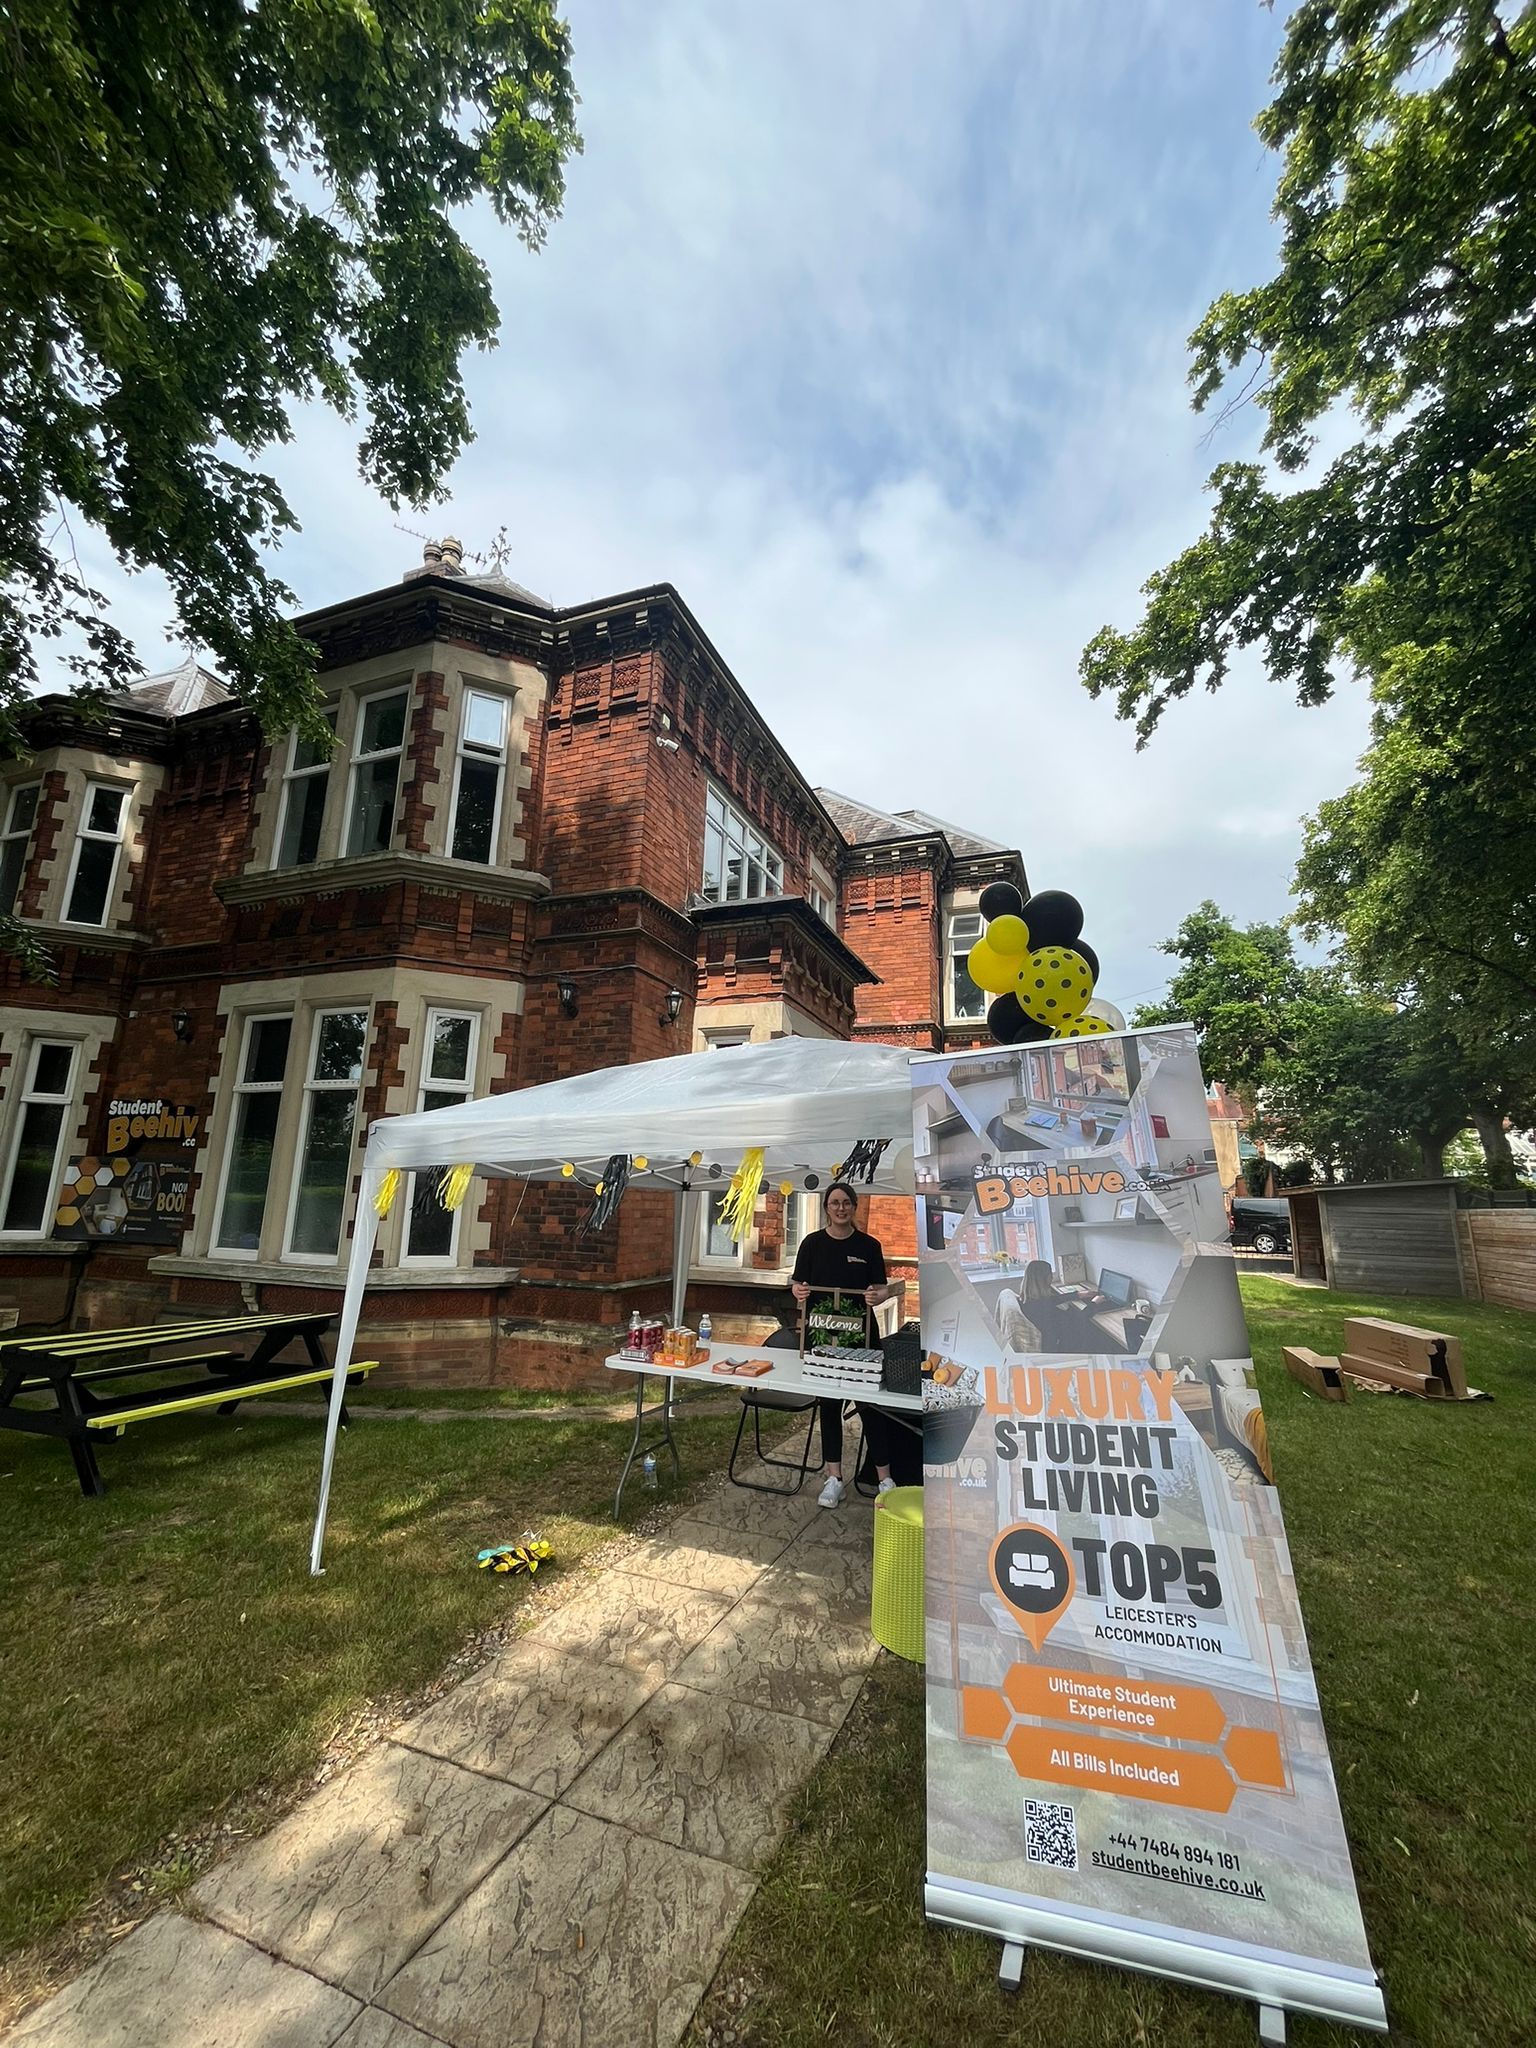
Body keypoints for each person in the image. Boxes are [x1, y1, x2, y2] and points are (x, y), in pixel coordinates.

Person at [790, 1180, 899, 1507]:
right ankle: (834, 1477)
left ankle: (885, 1479)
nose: (841, 1208)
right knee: (830, 1404)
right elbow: (796, 1284)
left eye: (846, 1203)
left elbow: (881, 1289)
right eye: (835, 1202)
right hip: (823, 1338)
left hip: (863, 1338)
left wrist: (878, 1295)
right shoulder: (811, 1244)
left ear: (853, 1207)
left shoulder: (869, 1246)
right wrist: (798, 1292)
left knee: (870, 1406)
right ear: (826, 1207)